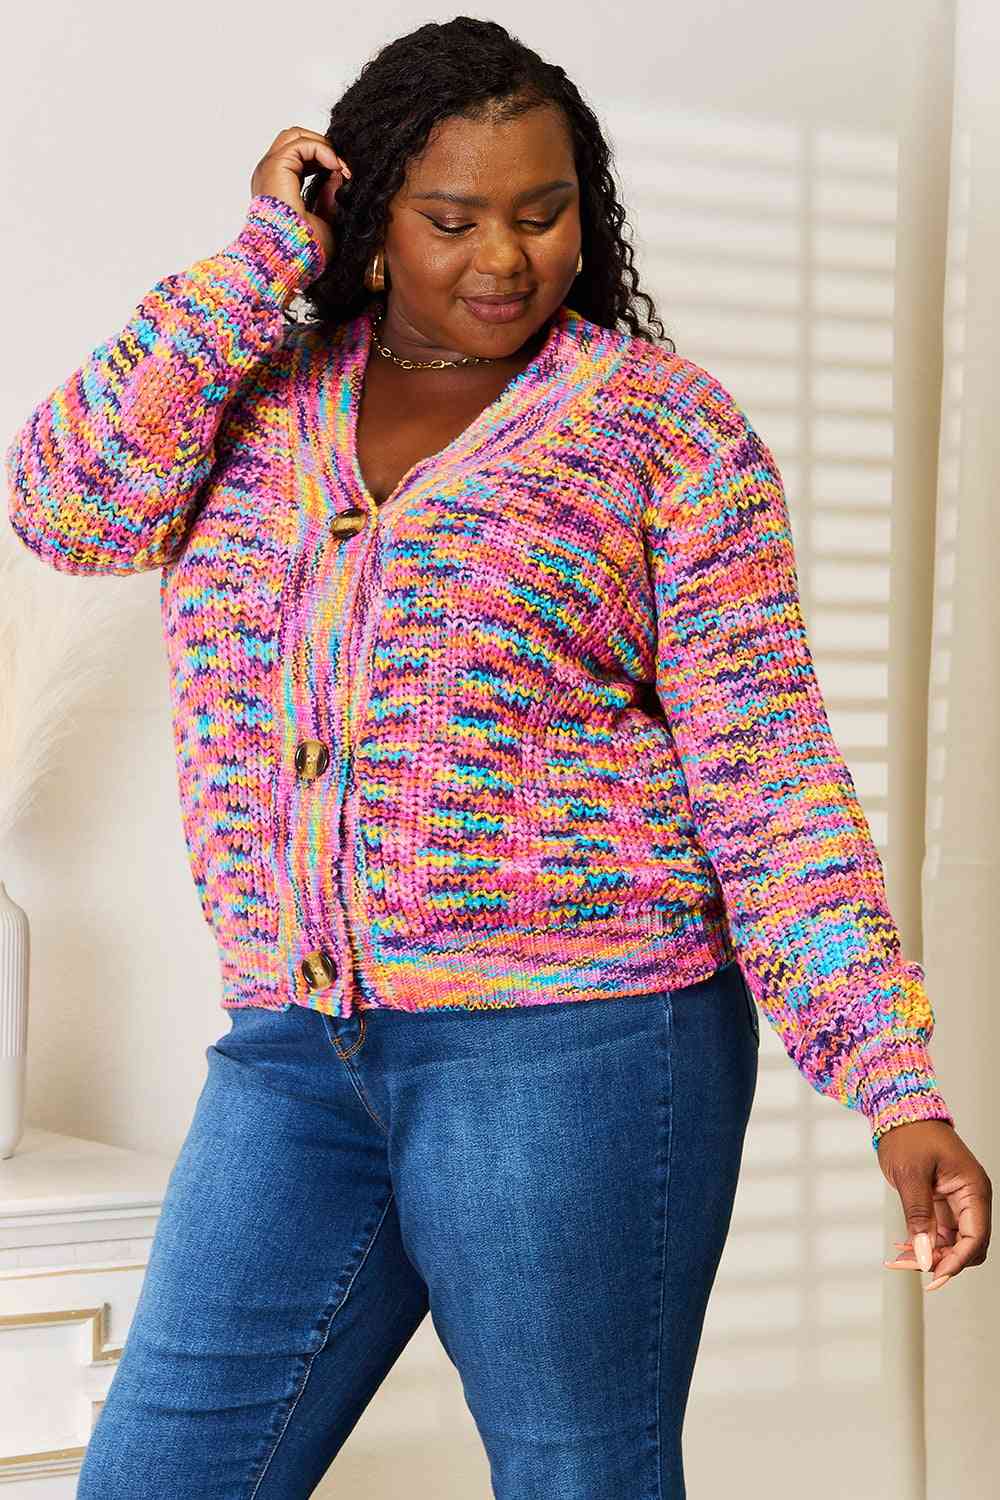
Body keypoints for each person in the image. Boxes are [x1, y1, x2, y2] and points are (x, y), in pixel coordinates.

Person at [5, 16, 991, 1500]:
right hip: (294, 1047)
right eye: (453, 218)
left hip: (580, 1045)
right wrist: (255, 265)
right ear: (367, 218)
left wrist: (893, 1083)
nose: (506, 259)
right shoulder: (257, 394)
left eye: (543, 213)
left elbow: (769, 771)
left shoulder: (659, 429)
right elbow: (67, 505)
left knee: (577, 1479)